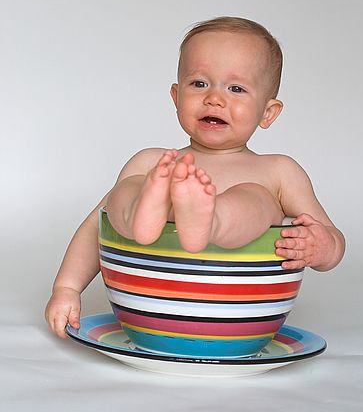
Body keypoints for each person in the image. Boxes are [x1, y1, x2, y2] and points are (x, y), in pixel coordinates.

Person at [45, 17, 345, 338]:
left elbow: (330, 236)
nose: (214, 98)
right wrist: (66, 288)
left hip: (232, 313)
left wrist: (323, 247)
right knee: (132, 184)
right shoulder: (155, 163)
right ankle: (140, 216)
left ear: (267, 112)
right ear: (176, 97)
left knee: (255, 197)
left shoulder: (279, 171)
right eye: (199, 83)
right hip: (150, 309)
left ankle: (211, 220)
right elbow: (96, 227)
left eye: (236, 88)